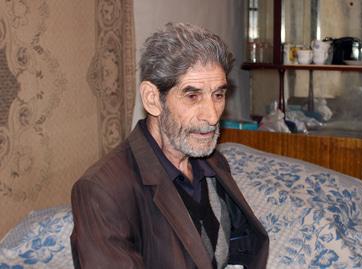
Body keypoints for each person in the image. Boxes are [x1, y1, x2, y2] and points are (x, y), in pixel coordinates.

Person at [70, 22, 269, 269]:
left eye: (218, 95)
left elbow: (242, 243)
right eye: (192, 96)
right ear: (153, 99)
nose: (212, 116)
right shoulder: (101, 191)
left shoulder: (213, 162)